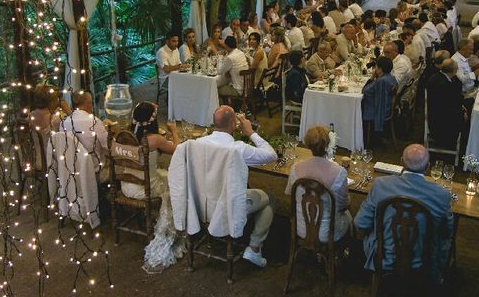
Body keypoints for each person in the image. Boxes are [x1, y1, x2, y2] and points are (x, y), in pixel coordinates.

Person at [354, 144, 454, 283]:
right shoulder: (442, 195)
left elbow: (360, 223)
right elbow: (447, 232)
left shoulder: (380, 185)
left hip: (384, 258)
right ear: (427, 168)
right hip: (424, 263)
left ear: (401, 162)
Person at [198, 106, 277, 266]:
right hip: (227, 206)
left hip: (201, 202)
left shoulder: (198, 143)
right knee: (271, 198)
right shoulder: (237, 148)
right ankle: (254, 248)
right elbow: (271, 155)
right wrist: (251, 133)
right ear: (234, 124)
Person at [285, 126, 351, 243]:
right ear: (328, 144)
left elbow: (291, 195)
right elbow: (343, 204)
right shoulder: (339, 172)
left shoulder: (295, 168)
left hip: (301, 228)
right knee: (349, 216)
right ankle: (346, 250)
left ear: (307, 144)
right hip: (328, 232)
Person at [120, 102, 180, 200]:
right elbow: (176, 149)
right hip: (146, 189)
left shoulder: (126, 135)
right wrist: (174, 131)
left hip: (126, 187)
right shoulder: (155, 139)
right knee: (177, 181)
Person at [61, 91, 109, 178]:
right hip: (95, 171)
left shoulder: (64, 123)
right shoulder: (94, 121)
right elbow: (108, 146)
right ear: (88, 103)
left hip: (73, 171)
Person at [426, 59, 466, 148]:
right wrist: (462, 112)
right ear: (453, 71)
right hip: (441, 123)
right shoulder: (443, 85)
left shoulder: (439, 77)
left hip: (441, 113)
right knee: (467, 120)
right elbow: (448, 107)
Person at [361, 56, 397, 140]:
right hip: (386, 107)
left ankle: (363, 136)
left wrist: (372, 78)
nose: (375, 68)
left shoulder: (381, 81)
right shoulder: (390, 77)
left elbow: (365, 91)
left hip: (379, 110)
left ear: (380, 69)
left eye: (376, 66)